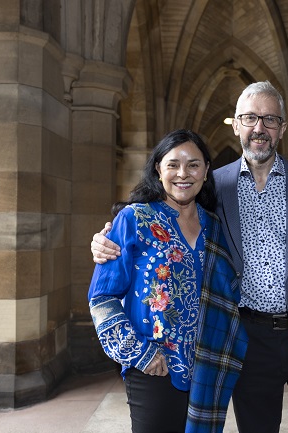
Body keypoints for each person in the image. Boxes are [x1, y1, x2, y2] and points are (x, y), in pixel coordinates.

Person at [92, 82, 288, 433]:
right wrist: (104, 240)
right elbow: (159, 224)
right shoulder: (214, 189)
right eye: (250, 118)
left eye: (270, 119)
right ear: (236, 125)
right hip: (248, 339)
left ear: (282, 128)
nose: (259, 128)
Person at [87, 129, 248, 433]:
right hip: (154, 366)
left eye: (193, 164)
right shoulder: (134, 219)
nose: (183, 174)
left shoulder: (216, 225)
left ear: (206, 170)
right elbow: (102, 297)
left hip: (208, 366)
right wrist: (139, 354)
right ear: (158, 169)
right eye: (173, 164)